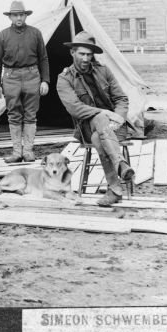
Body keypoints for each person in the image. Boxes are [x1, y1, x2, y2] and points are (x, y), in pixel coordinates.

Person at [56, 31, 136, 207]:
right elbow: (75, 108)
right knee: (99, 119)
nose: (86, 59)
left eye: (89, 55)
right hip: (87, 127)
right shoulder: (64, 79)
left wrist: (119, 118)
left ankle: (115, 189)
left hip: (113, 128)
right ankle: (120, 164)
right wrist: (105, 113)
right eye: (82, 54)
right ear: (72, 53)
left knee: (98, 138)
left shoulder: (103, 71)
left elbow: (121, 99)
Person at [0, 1, 50, 164]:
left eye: (21, 14)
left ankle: (28, 151)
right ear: (10, 17)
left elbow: (43, 58)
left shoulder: (35, 33)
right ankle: (17, 152)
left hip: (32, 75)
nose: (18, 17)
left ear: (26, 15)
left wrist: (45, 80)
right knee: (14, 114)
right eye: (15, 15)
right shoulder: (2, 35)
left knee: (31, 114)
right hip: (11, 77)